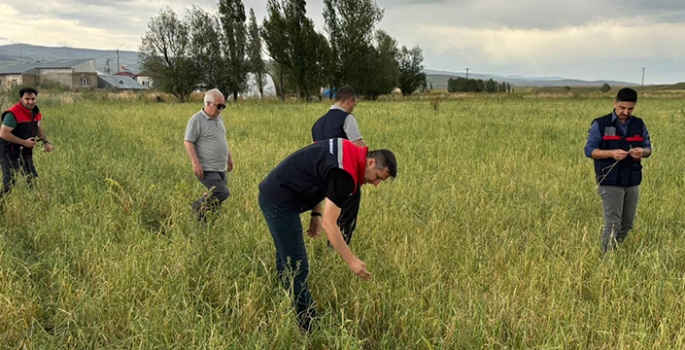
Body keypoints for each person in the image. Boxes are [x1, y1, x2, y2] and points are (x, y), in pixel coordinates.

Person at [258, 138, 397, 332]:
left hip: (276, 191)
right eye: (378, 177)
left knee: (287, 258)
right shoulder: (346, 174)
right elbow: (330, 226)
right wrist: (352, 261)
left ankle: (284, 300)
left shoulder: (347, 150)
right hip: (279, 201)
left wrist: (316, 213)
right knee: (298, 266)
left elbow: (318, 174)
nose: (375, 183)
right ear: (371, 162)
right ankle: (309, 326)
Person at [584, 87, 652, 252]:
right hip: (610, 181)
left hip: (632, 180)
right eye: (622, 108)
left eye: (630, 109)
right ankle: (605, 259)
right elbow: (589, 151)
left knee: (627, 224)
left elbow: (648, 148)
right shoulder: (600, 124)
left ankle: (614, 251)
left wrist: (642, 152)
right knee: (613, 223)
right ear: (615, 103)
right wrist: (611, 153)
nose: (626, 112)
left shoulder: (639, 124)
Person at [311, 86, 365, 245]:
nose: (353, 107)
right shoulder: (347, 118)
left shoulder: (317, 124)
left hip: (326, 178)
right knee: (346, 218)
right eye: (354, 104)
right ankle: (339, 251)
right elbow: (359, 146)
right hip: (346, 175)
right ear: (350, 101)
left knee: (332, 216)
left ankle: (331, 249)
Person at [184, 89, 234, 220]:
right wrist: (195, 163)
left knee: (217, 199)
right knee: (222, 193)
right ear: (208, 103)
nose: (221, 109)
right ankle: (197, 206)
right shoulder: (196, 120)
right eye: (219, 106)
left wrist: (229, 158)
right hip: (207, 168)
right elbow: (188, 142)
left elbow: (222, 139)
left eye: (223, 106)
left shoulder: (219, 118)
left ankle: (207, 222)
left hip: (220, 167)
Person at [0, 87, 54, 198]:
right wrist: (24, 142)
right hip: (8, 152)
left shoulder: (36, 112)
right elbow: (4, 133)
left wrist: (46, 142)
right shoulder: (12, 114)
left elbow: (38, 128)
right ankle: (2, 208)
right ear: (21, 100)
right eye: (27, 99)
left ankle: (36, 204)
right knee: (9, 184)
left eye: (33, 99)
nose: (30, 102)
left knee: (32, 179)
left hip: (25, 152)